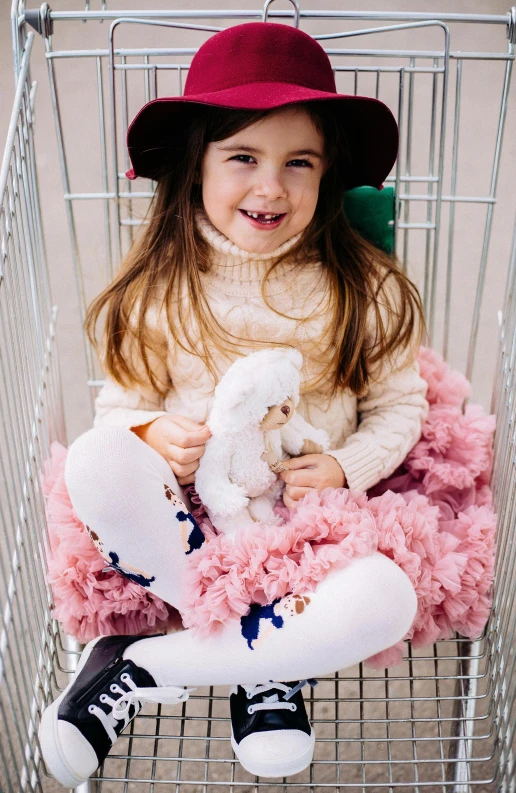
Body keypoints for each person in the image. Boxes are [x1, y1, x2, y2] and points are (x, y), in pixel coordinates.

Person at [38, 21, 428, 787]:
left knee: (390, 596)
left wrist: (347, 466)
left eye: (299, 162)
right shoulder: (160, 292)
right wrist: (150, 431)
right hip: (190, 535)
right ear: (196, 167)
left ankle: (148, 664)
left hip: (310, 538)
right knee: (93, 459)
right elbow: (118, 409)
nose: (271, 186)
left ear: (327, 174)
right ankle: (269, 655)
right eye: (243, 157)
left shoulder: (364, 289)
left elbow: (401, 407)